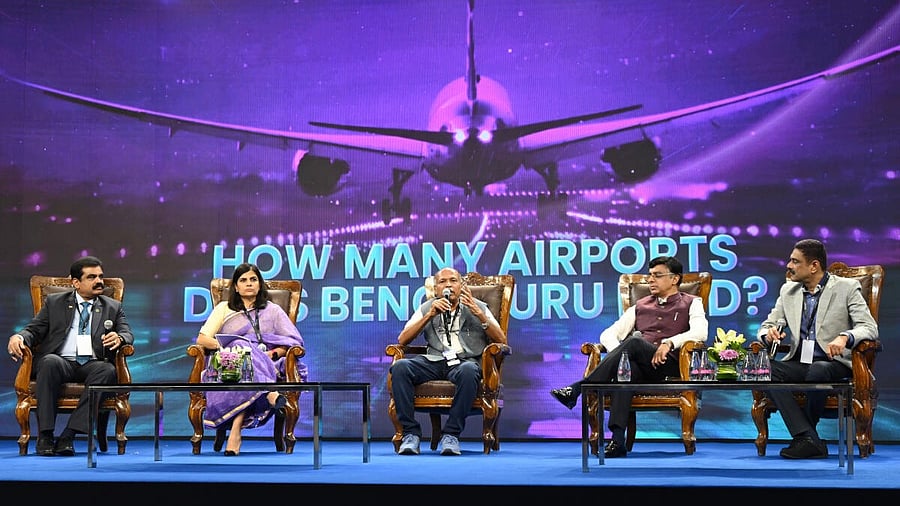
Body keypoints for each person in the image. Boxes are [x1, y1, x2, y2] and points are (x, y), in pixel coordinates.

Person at [549, 256, 709, 458]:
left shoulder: (692, 303)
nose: (650, 280)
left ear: (675, 279)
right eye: (650, 276)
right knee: (626, 371)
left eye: (657, 276)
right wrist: (621, 355)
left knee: (633, 342)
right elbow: (608, 334)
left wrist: (669, 342)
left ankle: (579, 387)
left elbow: (700, 333)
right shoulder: (640, 306)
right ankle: (617, 442)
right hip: (642, 367)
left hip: (671, 365)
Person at [757, 238, 878, 459]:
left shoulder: (846, 288)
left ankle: (806, 438)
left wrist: (845, 337)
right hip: (800, 361)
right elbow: (766, 326)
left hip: (833, 363)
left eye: (795, 261)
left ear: (814, 266)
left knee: (819, 370)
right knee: (765, 370)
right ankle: (808, 438)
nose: (789, 266)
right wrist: (768, 334)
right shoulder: (788, 291)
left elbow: (869, 328)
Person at [7, 255, 134, 456]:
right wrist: (19, 337)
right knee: (48, 362)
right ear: (76, 282)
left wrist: (120, 338)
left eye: (100, 276)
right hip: (61, 361)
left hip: (92, 363)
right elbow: (34, 330)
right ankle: (46, 435)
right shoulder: (55, 302)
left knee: (107, 370)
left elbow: (127, 332)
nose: (99, 281)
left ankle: (69, 434)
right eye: (92, 277)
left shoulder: (112, 307)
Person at [390, 267, 505, 456]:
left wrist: (480, 315)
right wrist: (429, 315)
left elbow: (502, 341)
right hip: (434, 360)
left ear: (462, 285)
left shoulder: (478, 306)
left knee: (469, 371)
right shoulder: (427, 307)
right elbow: (402, 340)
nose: (448, 285)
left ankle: (451, 434)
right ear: (436, 289)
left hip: (464, 362)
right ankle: (411, 434)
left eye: (453, 280)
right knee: (400, 367)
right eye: (443, 282)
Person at [196, 263, 308, 456]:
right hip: (230, 362)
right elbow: (202, 339)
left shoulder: (273, 311)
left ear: (260, 284)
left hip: (267, 362)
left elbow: (292, 342)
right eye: (243, 280)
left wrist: (272, 354)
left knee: (250, 356)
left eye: (253, 279)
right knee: (242, 350)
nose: (249, 284)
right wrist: (225, 346)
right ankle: (268, 393)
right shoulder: (224, 308)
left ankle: (235, 432)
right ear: (236, 287)